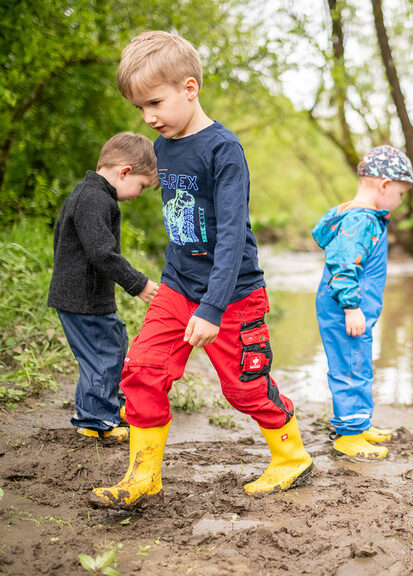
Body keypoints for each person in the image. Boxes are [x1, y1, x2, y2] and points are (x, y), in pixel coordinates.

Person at [90, 31, 313, 508]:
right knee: (143, 369)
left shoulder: (223, 149)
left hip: (231, 295)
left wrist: (212, 307)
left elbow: (232, 234)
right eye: (139, 109)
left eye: (155, 102)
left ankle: (291, 458)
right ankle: (143, 475)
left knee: (245, 387)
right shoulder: (162, 147)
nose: (149, 117)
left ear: (189, 89)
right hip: (177, 286)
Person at [313, 145, 413, 459]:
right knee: (351, 368)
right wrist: (351, 307)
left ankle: (357, 424)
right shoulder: (359, 221)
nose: (401, 201)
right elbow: (343, 265)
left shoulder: (360, 217)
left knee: (359, 363)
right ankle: (349, 436)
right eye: (401, 194)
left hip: (350, 308)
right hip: (345, 309)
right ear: (384, 186)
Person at [48, 132, 159, 442]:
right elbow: (101, 253)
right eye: (141, 186)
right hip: (82, 298)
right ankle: (95, 419)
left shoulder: (92, 196)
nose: (139, 194)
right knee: (102, 354)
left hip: (86, 296)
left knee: (114, 341)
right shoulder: (94, 199)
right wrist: (138, 284)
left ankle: (109, 405)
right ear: (124, 172)